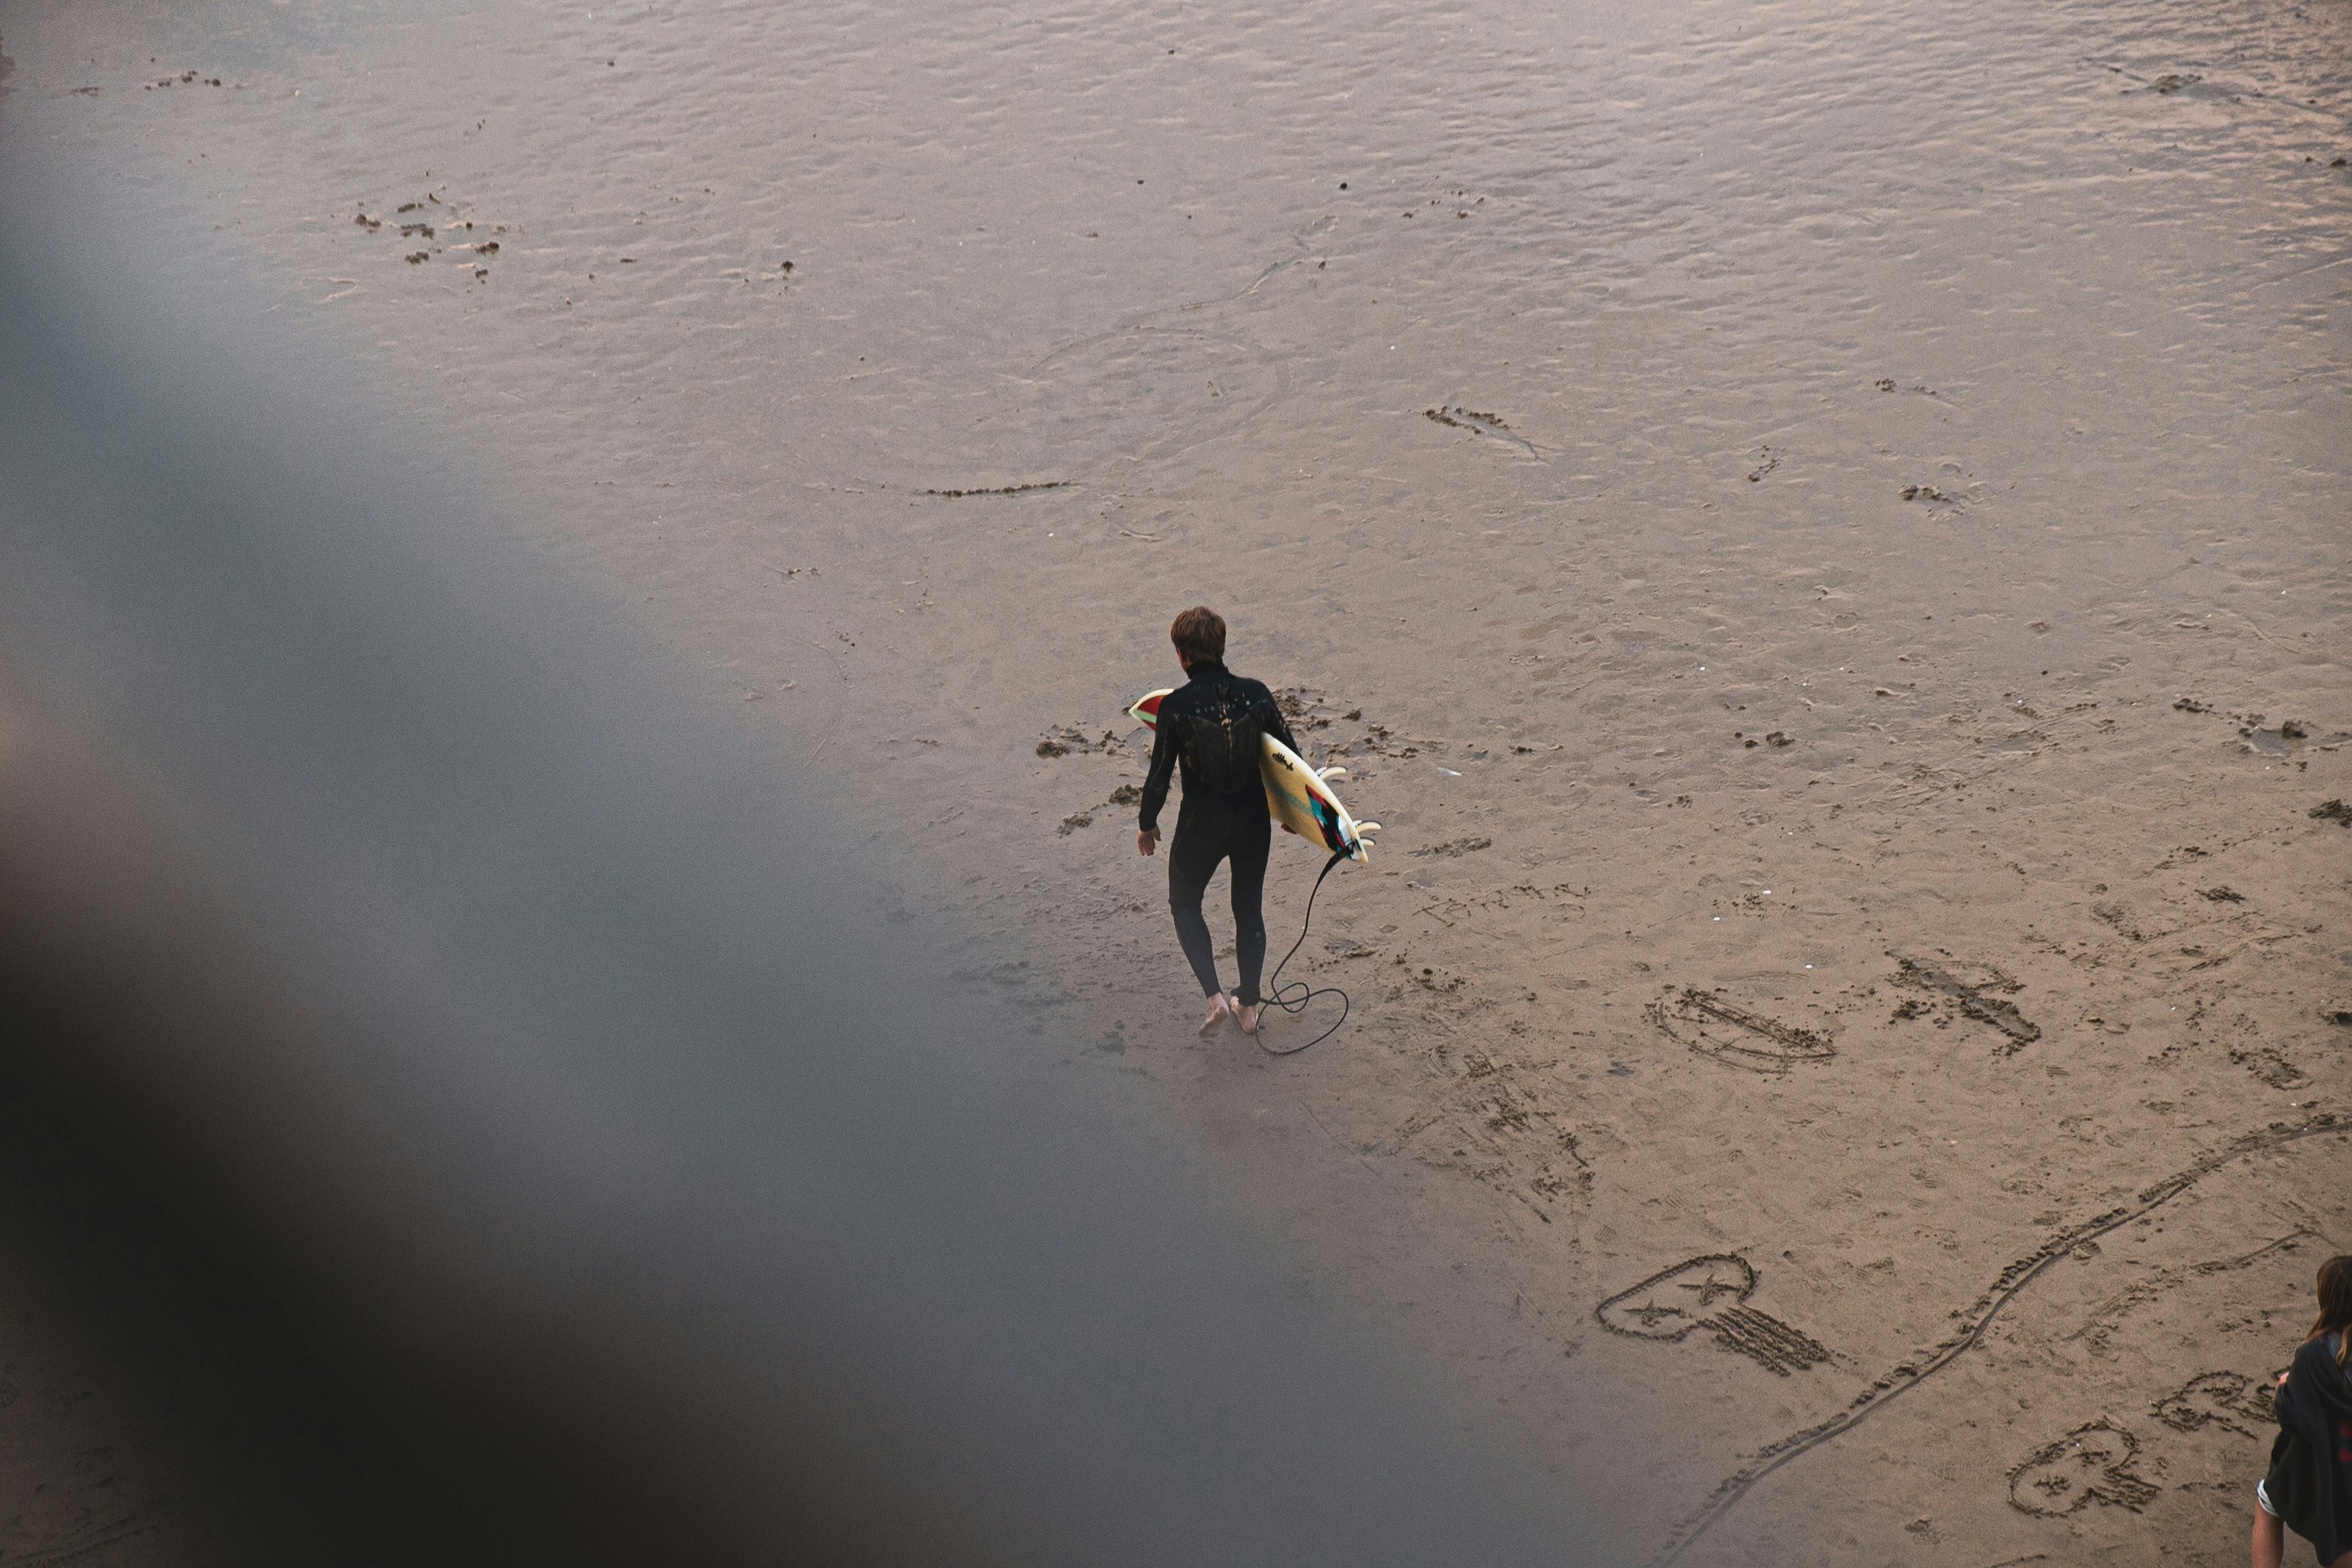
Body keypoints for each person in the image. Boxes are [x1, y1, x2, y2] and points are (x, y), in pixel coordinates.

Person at [1135, 607, 1297, 1036]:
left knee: (1184, 902)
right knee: (1248, 909)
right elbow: (1289, 760)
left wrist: (1147, 823)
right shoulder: (1257, 694)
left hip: (1201, 825)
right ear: (1221, 647)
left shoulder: (1176, 706)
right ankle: (1248, 1004)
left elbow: (1159, 777)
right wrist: (1295, 814)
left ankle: (1214, 998)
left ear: (1181, 656)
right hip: (1251, 822)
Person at [2255, 1254, 2352, 1568]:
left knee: (2269, 1502)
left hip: (2323, 1468)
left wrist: (2286, 1385)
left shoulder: (2314, 1354)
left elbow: (2291, 1414)